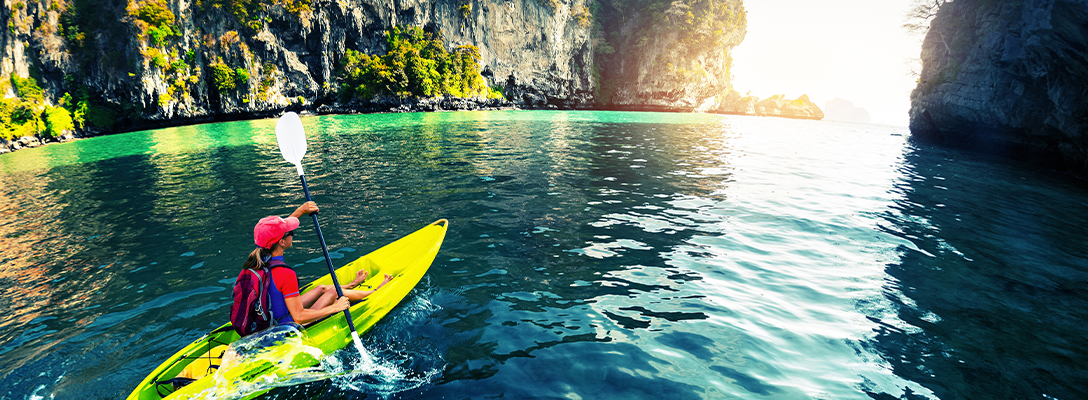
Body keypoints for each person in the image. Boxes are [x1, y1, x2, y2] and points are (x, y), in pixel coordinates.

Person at [245, 201, 393, 326]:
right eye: (291, 232)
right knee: (333, 293)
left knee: (321, 288)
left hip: (271, 318)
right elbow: (299, 317)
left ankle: (350, 286)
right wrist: (335, 308)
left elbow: (273, 232)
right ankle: (375, 292)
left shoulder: (257, 259)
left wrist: (300, 211)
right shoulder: (285, 274)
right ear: (282, 242)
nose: (292, 232)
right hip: (286, 326)